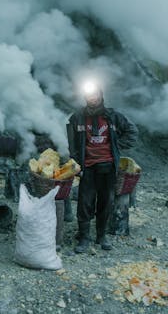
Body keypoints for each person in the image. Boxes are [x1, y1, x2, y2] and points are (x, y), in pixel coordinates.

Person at [66, 82, 138, 253]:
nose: (92, 98)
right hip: (88, 167)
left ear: (100, 96)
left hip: (108, 167)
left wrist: (116, 145)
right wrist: (76, 161)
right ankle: (84, 238)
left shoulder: (112, 116)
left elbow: (132, 132)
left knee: (106, 202)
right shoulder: (77, 118)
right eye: (89, 95)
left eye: (95, 95)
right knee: (85, 202)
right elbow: (72, 144)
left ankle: (101, 236)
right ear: (85, 97)